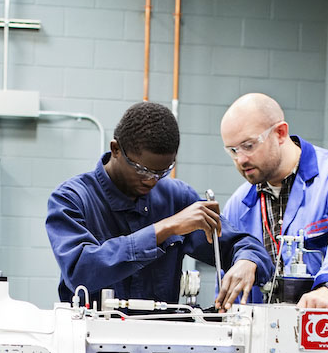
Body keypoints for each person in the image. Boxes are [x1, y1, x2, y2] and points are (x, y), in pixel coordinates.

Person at [47, 101, 271, 310]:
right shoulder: (71, 199)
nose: (152, 180)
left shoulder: (177, 197)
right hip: (89, 349)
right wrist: (164, 230)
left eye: (162, 171)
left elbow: (241, 243)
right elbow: (80, 271)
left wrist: (247, 260)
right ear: (116, 149)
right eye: (142, 170)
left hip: (154, 349)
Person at [220, 93, 328, 309]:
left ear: (280, 133)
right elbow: (230, 285)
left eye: (249, 145)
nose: (240, 159)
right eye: (233, 150)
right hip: (272, 335)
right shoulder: (238, 206)